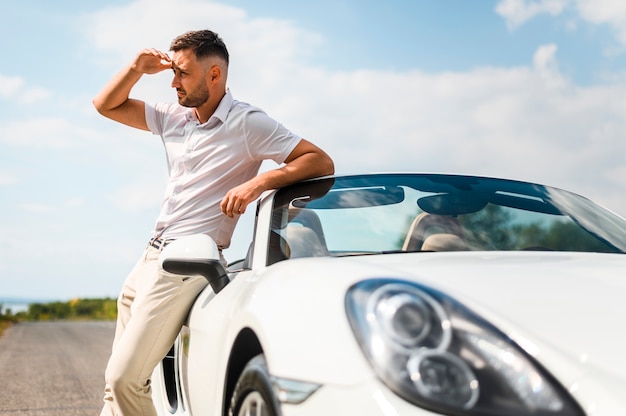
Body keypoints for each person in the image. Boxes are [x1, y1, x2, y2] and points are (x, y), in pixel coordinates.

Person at [92, 29, 334, 416]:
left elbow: (319, 161)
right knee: (113, 388)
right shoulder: (174, 117)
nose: (173, 83)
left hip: (186, 262)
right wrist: (137, 68)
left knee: (125, 380)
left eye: (183, 73)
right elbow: (106, 105)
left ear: (215, 75)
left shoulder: (248, 123)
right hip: (148, 259)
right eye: (173, 72)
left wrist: (258, 182)